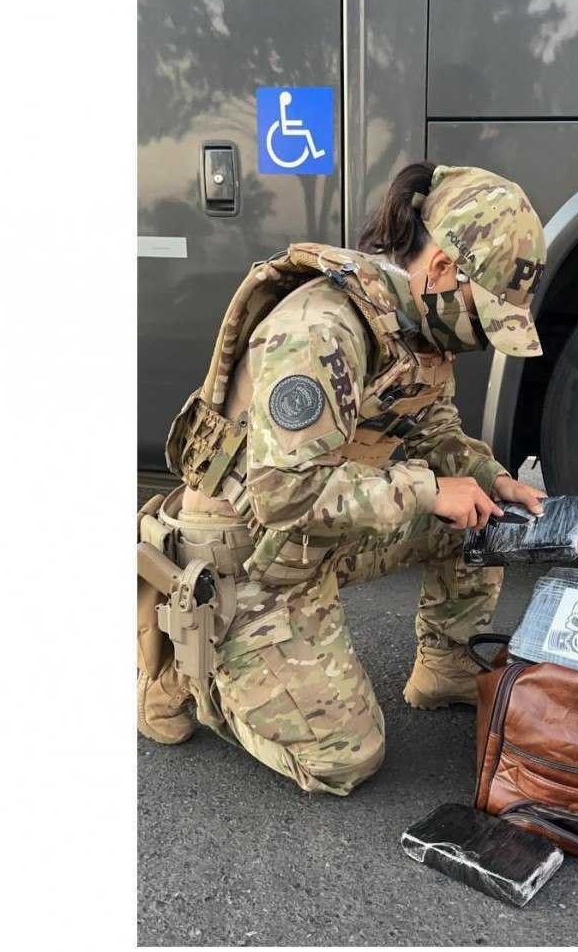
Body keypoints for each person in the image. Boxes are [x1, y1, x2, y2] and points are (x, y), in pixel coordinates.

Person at [137, 163, 548, 795]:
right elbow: (283, 496)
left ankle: (444, 666)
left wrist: (490, 479)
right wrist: (430, 492)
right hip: (247, 558)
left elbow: (433, 430)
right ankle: (192, 677)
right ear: (441, 269)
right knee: (343, 760)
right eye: (484, 316)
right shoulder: (320, 330)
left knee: (484, 524)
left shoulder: (419, 326)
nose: (485, 339)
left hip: (322, 532)